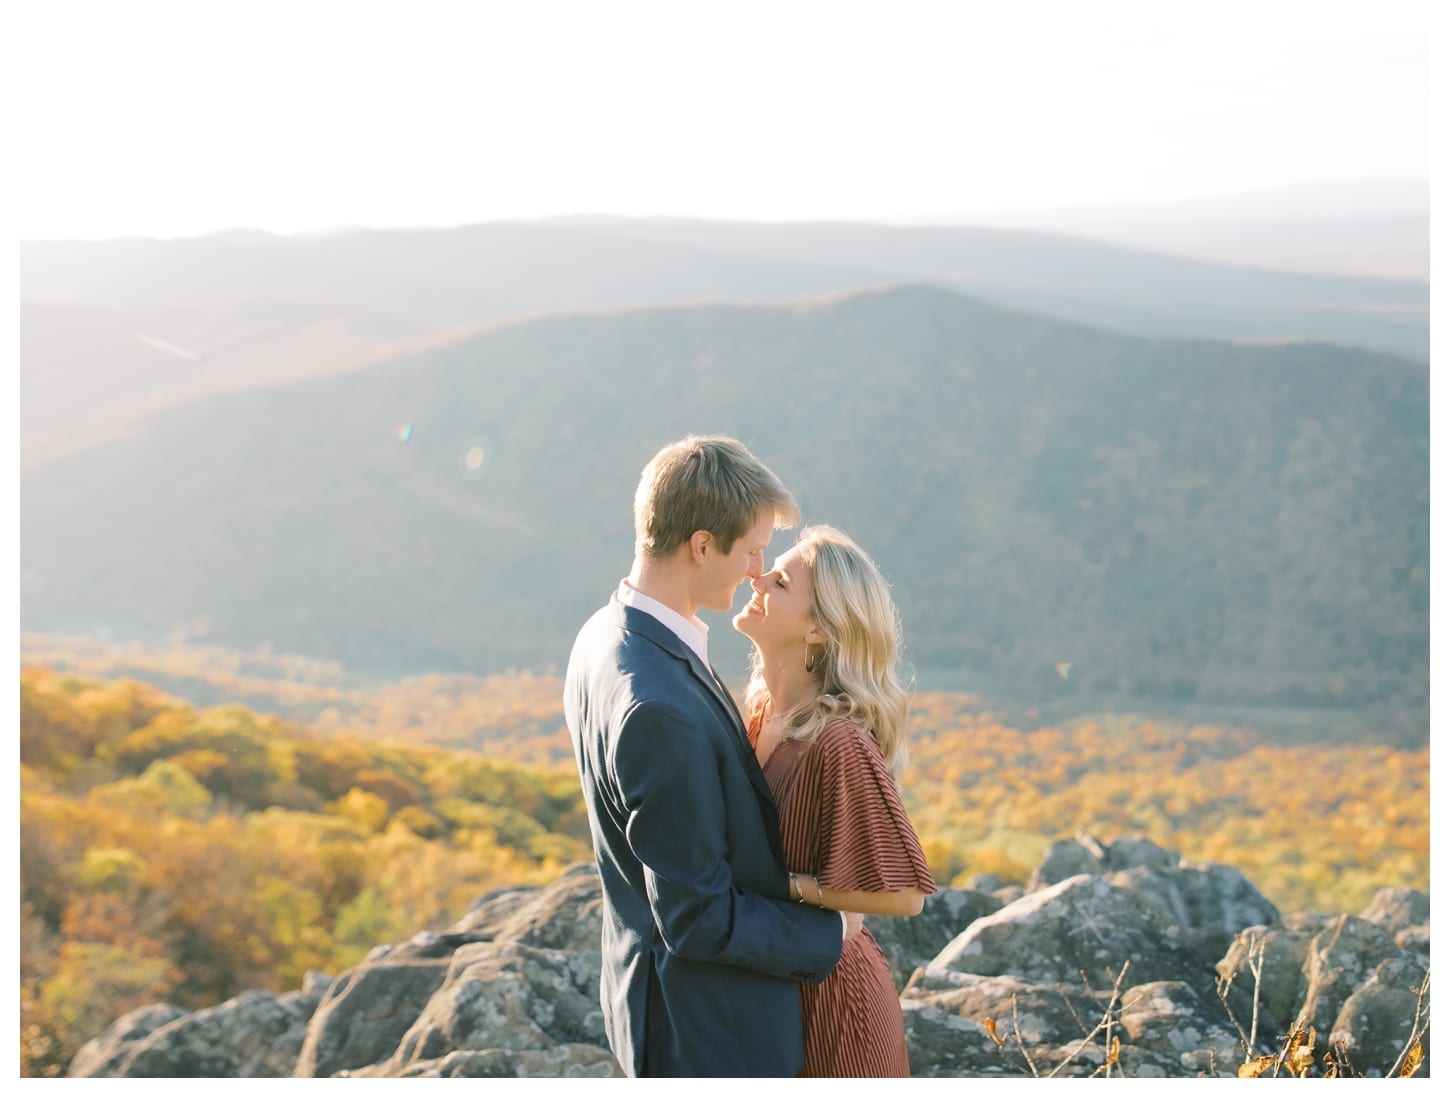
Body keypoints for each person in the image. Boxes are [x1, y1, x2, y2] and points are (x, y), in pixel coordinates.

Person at [564, 435, 855, 1078]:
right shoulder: (659, 708)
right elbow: (695, 916)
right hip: (707, 1037)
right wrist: (832, 931)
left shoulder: (601, 635)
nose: (758, 569)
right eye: (752, 549)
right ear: (702, 545)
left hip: (662, 1008)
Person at [734, 523, 938, 1077]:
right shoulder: (755, 715)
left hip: (835, 1008)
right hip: (777, 996)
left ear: (819, 628)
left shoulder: (837, 740)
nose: (757, 578)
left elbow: (904, 897)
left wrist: (788, 889)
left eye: (778, 581)